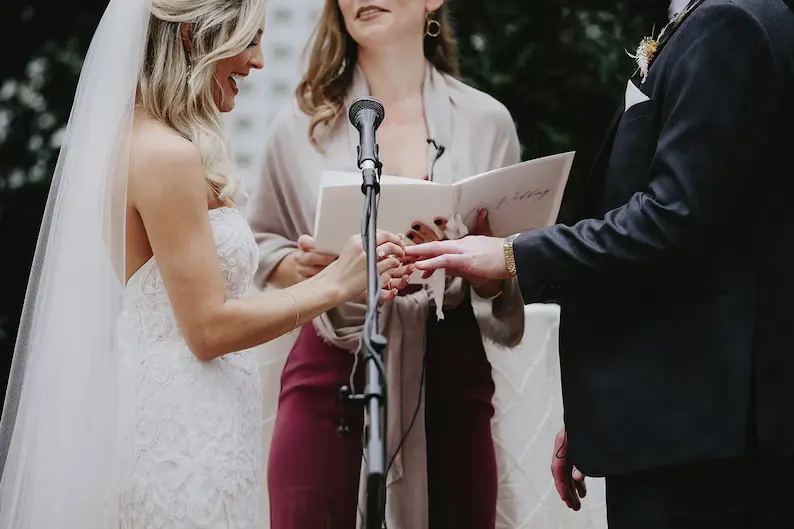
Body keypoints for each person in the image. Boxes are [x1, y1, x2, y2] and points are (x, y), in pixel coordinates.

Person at [0, 0, 408, 527]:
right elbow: (207, 328)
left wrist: (311, 275)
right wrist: (336, 285)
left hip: (189, 417)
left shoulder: (138, 141)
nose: (259, 60)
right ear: (199, 38)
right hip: (183, 436)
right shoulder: (164, 155)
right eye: (250, 39)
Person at [404, 0, 794, 527]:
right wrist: (597, 416)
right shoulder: (715, 18)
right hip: (674, 422)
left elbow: (670, 219)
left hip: (700, 442)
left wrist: (514, 253)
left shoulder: (733, 23)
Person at [247, 1, 529, 527]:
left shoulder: (487, 122)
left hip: (449, 373)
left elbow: (508, 270)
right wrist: (311, 270)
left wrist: (486, 270)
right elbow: (264, 245)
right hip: (332, 369)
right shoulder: (301, 125)